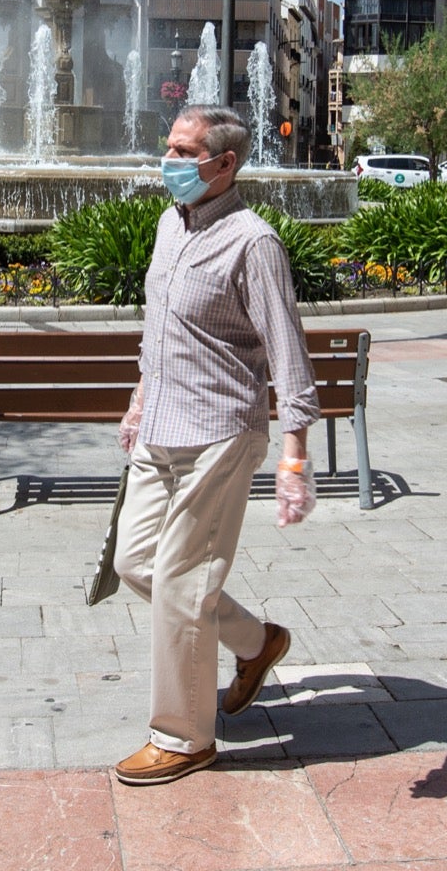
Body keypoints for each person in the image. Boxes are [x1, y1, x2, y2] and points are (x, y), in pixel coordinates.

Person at [109, 104, 321, 787]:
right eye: (168, 148)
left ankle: (183, 736)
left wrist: (294, 458)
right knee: (135, 561)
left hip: (221, 434)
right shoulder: (171, 225)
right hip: (162, 425)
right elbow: (157, 326)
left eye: (183, 151)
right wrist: (138, 400)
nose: (168, 162)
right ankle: (258, 645)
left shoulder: (252, 242)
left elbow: (287, 352)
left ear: (224, 164)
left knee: (178, 582)